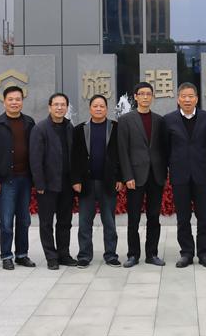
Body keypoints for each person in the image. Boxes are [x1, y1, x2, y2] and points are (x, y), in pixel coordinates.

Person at [164, 82, 206, 268]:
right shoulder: (168, 120)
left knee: (204, 218)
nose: (187, 100)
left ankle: (204, 253)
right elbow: (165, 149)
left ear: (196, 99)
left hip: (202, 175)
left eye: (190, 96)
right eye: (183, 96)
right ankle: (186, 253)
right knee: (183, 218)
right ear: (178, 99)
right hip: (180, 176)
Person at [117, 82, 168, 268]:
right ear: (135, 97)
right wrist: (127, 176)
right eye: (142, 94)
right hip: (135, 176)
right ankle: (133, 254)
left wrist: (165, 171)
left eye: (148, 94)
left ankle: (152, 254)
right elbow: (122, 150)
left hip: (156, 175)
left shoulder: (160, 120)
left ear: (152, 97)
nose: (145, 97)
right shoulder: (125, 120)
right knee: (134, 218)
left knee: (154, 217)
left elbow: (163, 148)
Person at [0, 86, 37, 270]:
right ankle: (6, 255)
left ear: (22, 101)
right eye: (11, 99)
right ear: (4, 102)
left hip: (25, 178)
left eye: (18, 99)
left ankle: (22, 255)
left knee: (24, 220)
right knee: (7, 221)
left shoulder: (29, 122)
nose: (14, 102)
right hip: (6, 180)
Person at [71, 95, 122, 268]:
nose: (99, 109)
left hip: (108, 181)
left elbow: (121, 155)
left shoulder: (115, 127)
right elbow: (74, 157)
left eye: (102, 106)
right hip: (87, 182)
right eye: (95, 106)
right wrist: (76, 180)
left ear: (107, 109)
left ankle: (111, 255)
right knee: (85, 222)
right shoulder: (80, 130)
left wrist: (120, 178)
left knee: (109, 221)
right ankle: (84, 255)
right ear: (90, 108)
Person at [30, 93, 77, 270]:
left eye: (63, 105)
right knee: (46, 223)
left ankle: (64, 254)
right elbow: (35, 159)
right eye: (56, 104)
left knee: (65, 221)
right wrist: (39, 183)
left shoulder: (69, 127)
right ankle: (51, 256)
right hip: (48, 184)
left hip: (67, 183)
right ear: (49, 107)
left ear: (66, 107)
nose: (59, 108)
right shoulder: (40, 128)